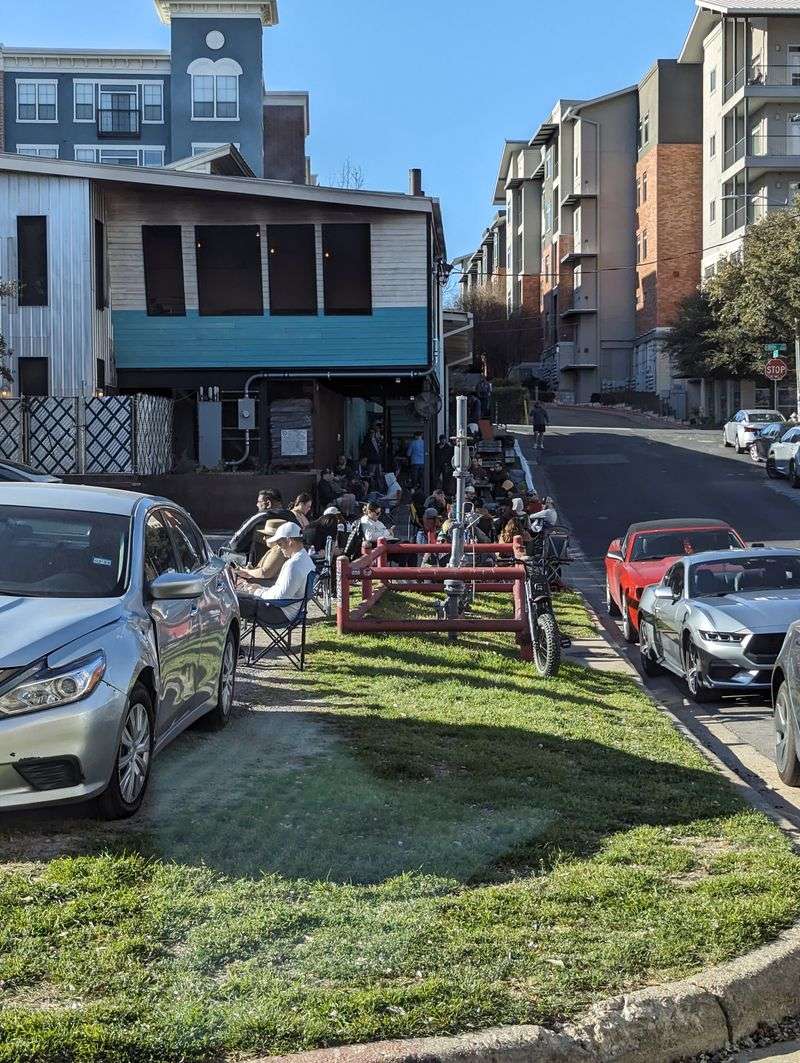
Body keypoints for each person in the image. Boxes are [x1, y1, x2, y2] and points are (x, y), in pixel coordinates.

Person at [244, 522, 316, 623]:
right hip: (291, 611)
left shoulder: (293, 564)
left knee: (233, 601)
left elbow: (280, 598)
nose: (279, 548)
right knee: (240, 596)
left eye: (280, 544)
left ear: (290, 541)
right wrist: (261, 588)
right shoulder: (306, 559)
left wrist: (257, 592)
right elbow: (282, 591)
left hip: (280, 614)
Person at [236, 518, 288, 584]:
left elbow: (265, 573)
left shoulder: (278, 550)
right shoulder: (276, 549)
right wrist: (253, 570)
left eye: (266, 535)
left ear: (275, 536)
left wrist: (246, 571)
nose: (263, 538)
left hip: (269, 587)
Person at [364, 425, 384, 492]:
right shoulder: (367, 441)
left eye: (373, 432)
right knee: (371, 476)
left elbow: (379, 449)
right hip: (372, 461)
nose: (372, 434)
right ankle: (372, 489)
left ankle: (380, 489)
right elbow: (366, 451)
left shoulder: (377, 440)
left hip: (378, 460)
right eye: (371, 432)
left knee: (379, 475)